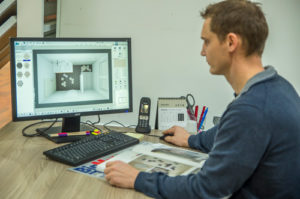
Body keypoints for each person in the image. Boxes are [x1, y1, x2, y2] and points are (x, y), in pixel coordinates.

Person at [104, 0, 300, 198]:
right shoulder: (277, 87)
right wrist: (190, 139)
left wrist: (137, 178)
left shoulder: (252, 109)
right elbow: (228, 132)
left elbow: (205, 189)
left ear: (231, 42)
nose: (202, 51)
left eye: (207, 41)